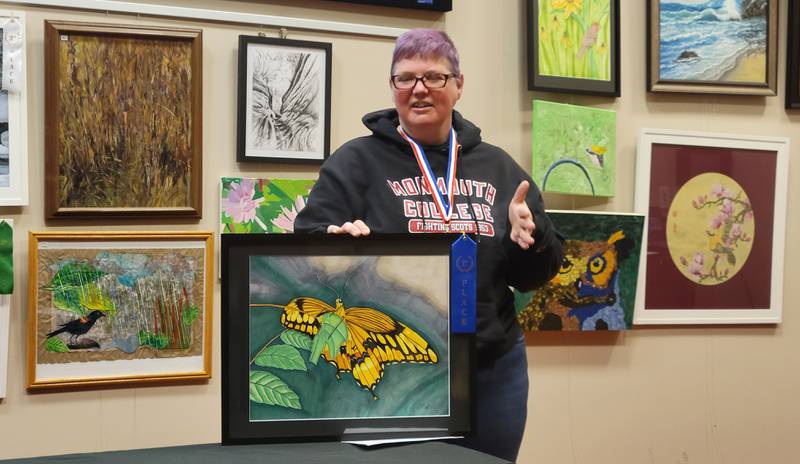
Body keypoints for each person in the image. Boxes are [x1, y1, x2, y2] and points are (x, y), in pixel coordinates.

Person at [294, 28, 563, 462]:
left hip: (491, 371)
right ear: (393, 87)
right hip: (392, 366)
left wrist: (529, 238)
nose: (419, 89)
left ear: (458, 86)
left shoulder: (499, 167)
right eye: (406, 78)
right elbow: (305, 246)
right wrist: (333, 245)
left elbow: (537, 272)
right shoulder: (355, 163)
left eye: (434, 77)